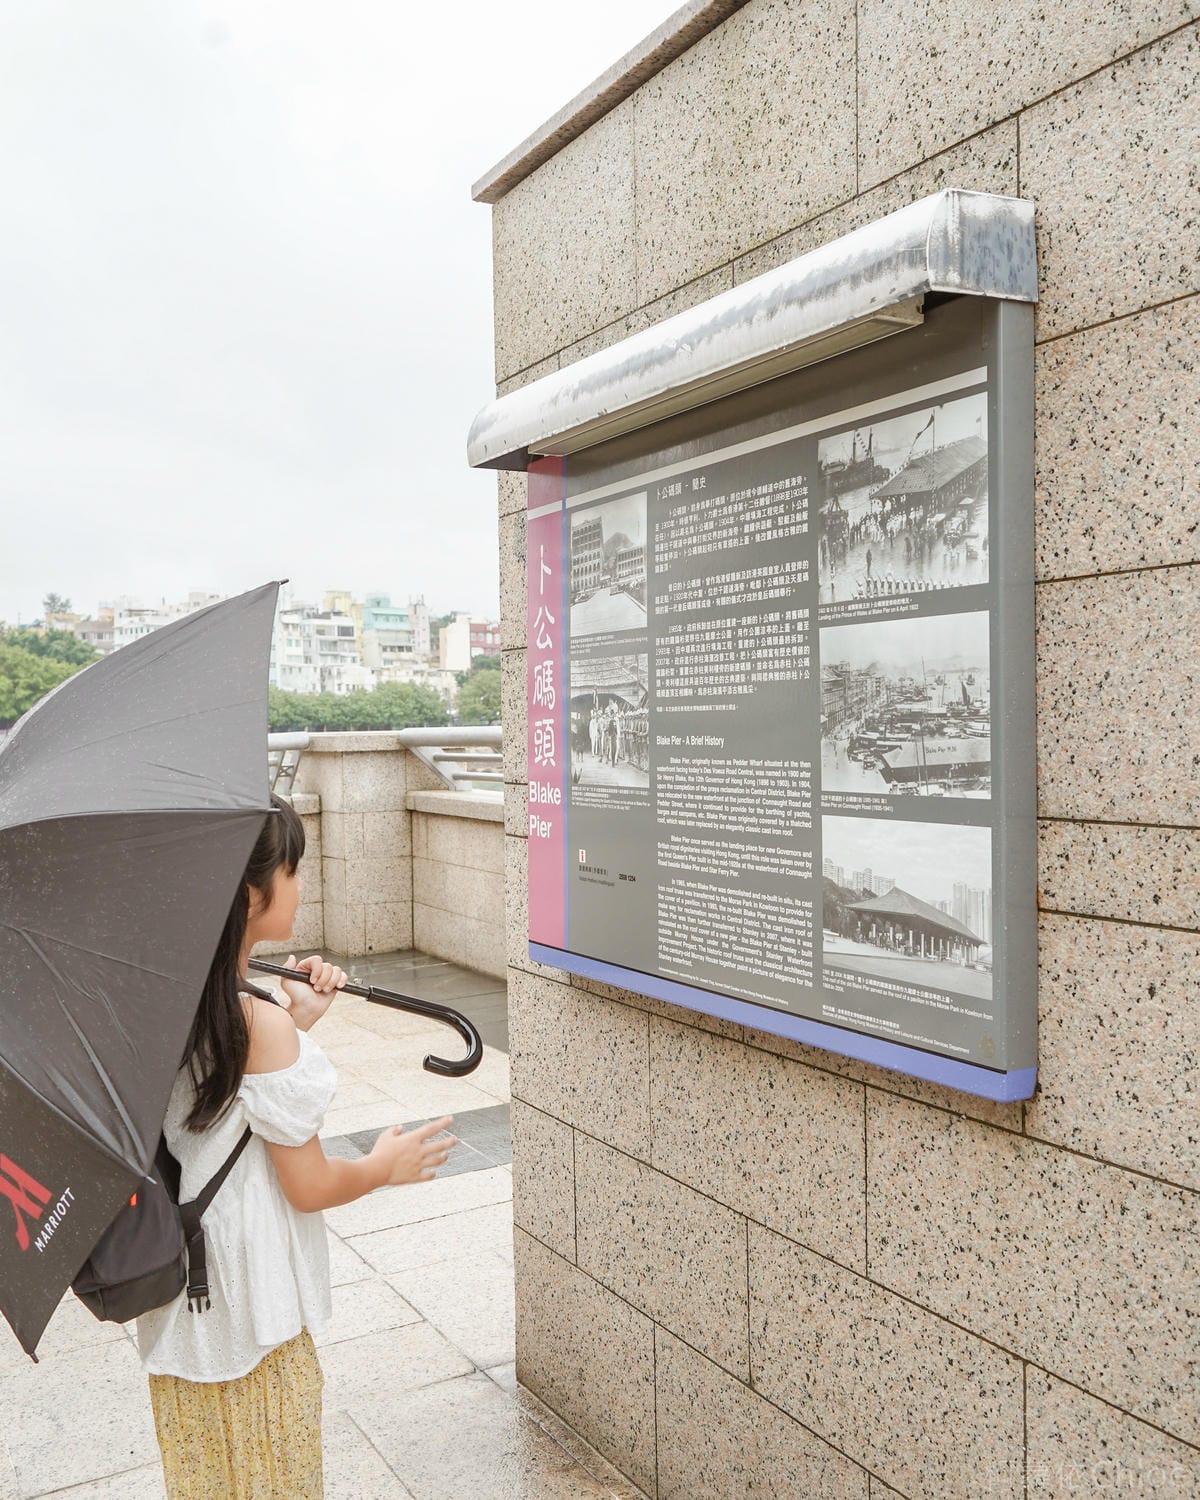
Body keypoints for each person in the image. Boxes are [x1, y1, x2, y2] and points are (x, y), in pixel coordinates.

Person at [137, 794, 455, 1498]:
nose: (302, 882)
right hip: (253, 1295)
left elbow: (219, 1101)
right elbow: (307, 1185)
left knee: (204, 1476)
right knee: (276, 1476)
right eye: (295, 869)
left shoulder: (167, 996)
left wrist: (297, 1021)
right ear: (252, 894)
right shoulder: (255, 1020)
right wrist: (382, 1167)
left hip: (182, 1289)